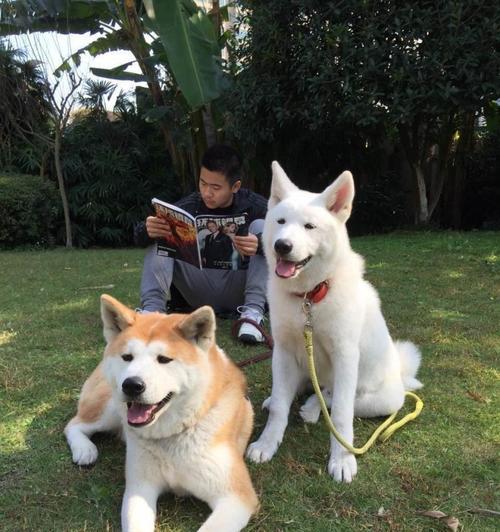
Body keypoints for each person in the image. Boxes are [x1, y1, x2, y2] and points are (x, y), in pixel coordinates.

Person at [134, 144, 268, 343]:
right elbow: (138, 237)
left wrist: (260, 245)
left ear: (235, 187)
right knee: (164, 228)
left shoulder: (255, 205)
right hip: (197, 288)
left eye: (215, 187)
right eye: (203, 183)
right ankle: (152, 312)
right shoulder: (191, 204)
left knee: (262, 227)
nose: (207, 193)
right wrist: (147, 230)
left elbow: (290, 239)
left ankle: (252, 315)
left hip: (238, 287)